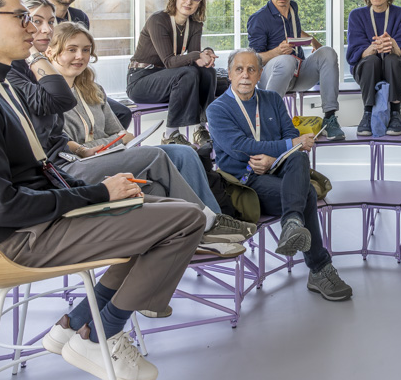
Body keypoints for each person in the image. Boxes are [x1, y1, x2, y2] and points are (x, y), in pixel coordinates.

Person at [0, 0, 204, 380]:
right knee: (186, 221)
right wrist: (97, 192)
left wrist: (103, 192)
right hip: (19, 237)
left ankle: (75, 324)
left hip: (38, 216)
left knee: (169, 210)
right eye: (20, 18)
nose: (35, 27)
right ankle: (102, 334)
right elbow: (0, 207)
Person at [41, 19, 256, 250]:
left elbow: (120, 133)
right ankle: (209, 225)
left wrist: (133, 142)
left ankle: (194, 231)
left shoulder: (93, 89)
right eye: (71, 50)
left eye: (85, 50)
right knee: (156, 157)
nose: (80, 56)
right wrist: (108, 143)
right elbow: (62, 144)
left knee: (182, 154)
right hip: (75, 167)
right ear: (51, 52)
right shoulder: (45, 93)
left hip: (108, 156)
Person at [208, 48, 353, 301]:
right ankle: (318, 267)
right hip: (246, 183)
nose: (245, 75)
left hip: (279, 170)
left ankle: (293, 225)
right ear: (229, 74)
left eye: (251, 69)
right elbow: (240, 147)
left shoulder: (272, 100)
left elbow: (289, 137)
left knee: (298, 156)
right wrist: (286, 146)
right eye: (239, 69)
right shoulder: (217, 109)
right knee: (305, 191)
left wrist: (274, 157)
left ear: (261, 74)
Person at [247, 0, 344, 141]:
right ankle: (268, 123)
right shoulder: (259, 19)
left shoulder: (293, 7)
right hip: (272, 76)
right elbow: (254, 60)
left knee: (328, 51)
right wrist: (277, 52)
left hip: (298, 74)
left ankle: (329, 119)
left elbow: (295, 31)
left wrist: (314, 43)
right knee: (286, 59)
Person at [126, 0, 218, 147]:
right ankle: (171, 134)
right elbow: (169, 61)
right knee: (188, 73)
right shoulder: (158, 20)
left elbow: (194, 60)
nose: (189, 2)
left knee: (207, 71)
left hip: (171, 79)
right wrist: (197, 54)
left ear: (200, 3)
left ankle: (200, 128)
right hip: (141, 79)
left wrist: (206, 54)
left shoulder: (195, 24)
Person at [41, 0, 132, 129]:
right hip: (46, 85)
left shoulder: (79, 17)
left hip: (76, 83)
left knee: (122, 113)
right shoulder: (35, 17)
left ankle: (105, 150)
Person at [346, 0, 401, 136]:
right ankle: (367, 113)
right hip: (367, 69)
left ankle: (395, 114)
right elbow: (353, 54)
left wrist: (393, 45)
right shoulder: (356, 15)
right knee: (371, 61)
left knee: (392, 60)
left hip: (395, 69)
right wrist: (373, 47)